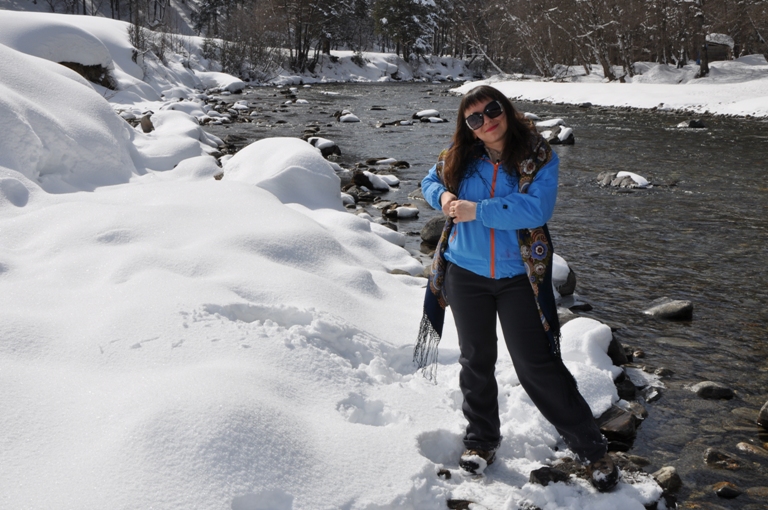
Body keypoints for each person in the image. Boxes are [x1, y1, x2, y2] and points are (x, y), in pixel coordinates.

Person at [416, 85, 620, 492]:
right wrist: (444, 196)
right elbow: (428, 182)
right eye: (475, 118)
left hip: (518, 277)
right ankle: (481, 440)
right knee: (476, 360)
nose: (487, 121)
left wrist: (477, 211)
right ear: (468, 127)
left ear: (505, 109)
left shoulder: (538, 156)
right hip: (465, 274)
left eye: (492, 110)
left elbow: (536, 210)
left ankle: (592, 450)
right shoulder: (458, 155)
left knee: (536, 365)